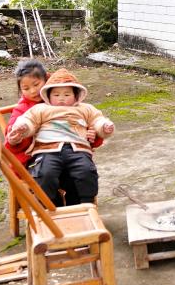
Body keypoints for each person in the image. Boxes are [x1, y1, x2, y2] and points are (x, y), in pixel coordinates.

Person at [6, 68, 115, 206]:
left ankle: (83, 205)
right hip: (47, 150)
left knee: (86, 171)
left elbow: (97, 119)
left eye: (67, 94)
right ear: (48, 95)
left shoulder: (84, 108)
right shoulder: (41, 108)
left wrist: (104, 126)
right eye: (56, 95)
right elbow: (28, 120)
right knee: (45, 173)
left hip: (78, 149)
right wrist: (22, 127)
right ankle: (50, 205)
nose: (61, 98)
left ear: (76, 95)